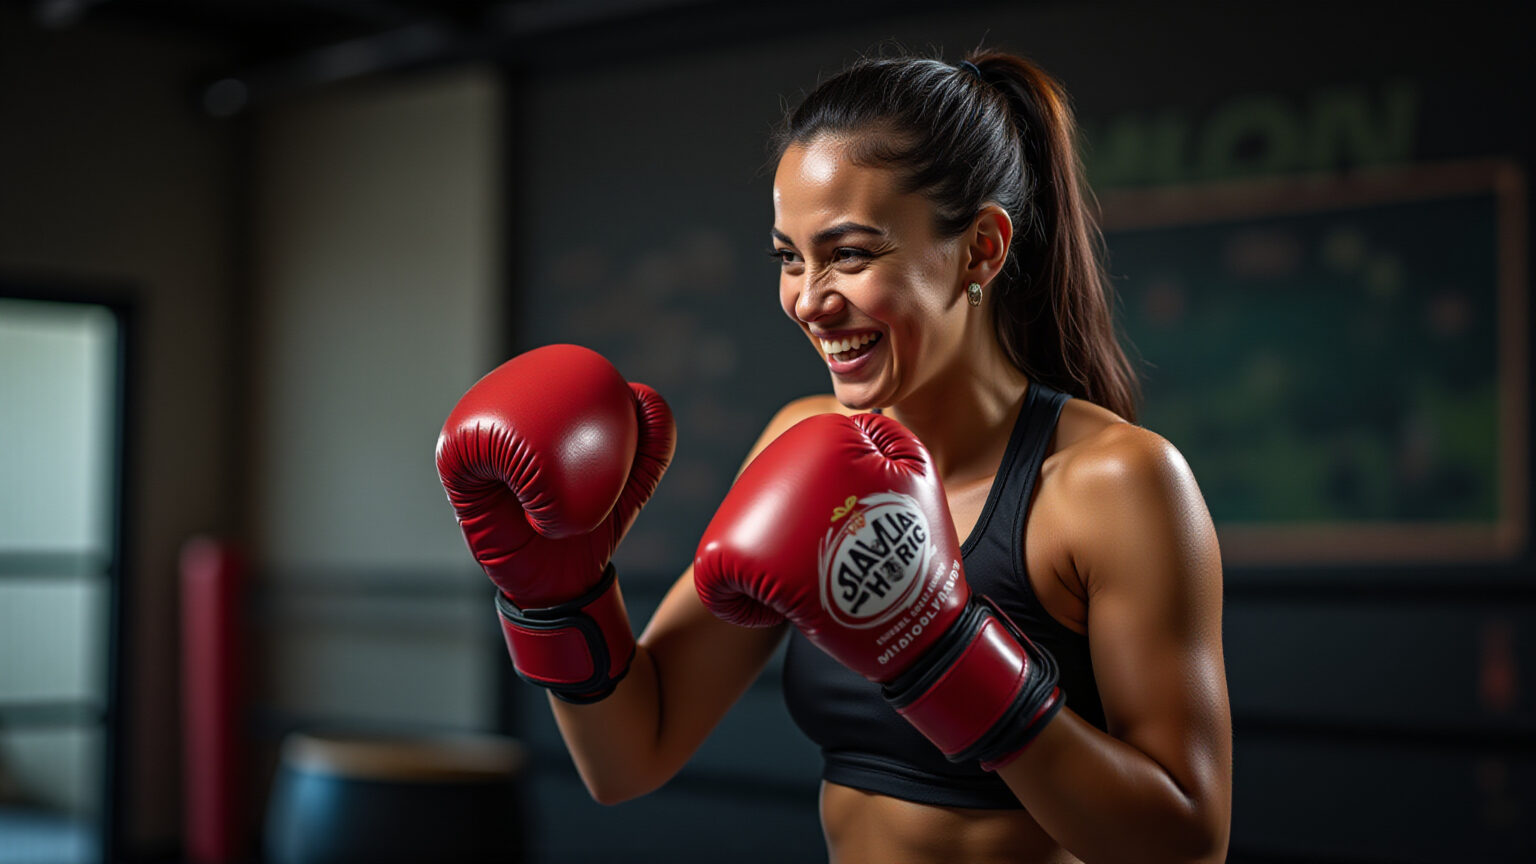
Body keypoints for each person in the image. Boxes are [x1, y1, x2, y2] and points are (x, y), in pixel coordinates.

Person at [437, 49, 1232, 864]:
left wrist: (944, 657)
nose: (809, 300)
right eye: (790, 256)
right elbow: (629, 757)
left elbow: (1189, 843)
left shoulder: (1115, 483)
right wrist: (560, 599)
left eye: (850, 254)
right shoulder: (801, 441)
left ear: (982, 250)